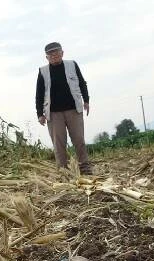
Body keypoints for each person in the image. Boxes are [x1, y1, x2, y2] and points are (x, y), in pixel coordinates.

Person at [35, 42, 92, 175]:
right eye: (50, 54)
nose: (54, 55)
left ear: (62, 53)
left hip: (73, 109)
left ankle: (85, 167)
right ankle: (64, 171)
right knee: (59, 144)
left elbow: (82, 82)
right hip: (54, 114)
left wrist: (86, 100)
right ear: (46, 57)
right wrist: (40, 114)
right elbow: (39, 93)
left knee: (79, 140)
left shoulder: (72, 65)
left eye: (56, 52)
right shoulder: (43, 71)